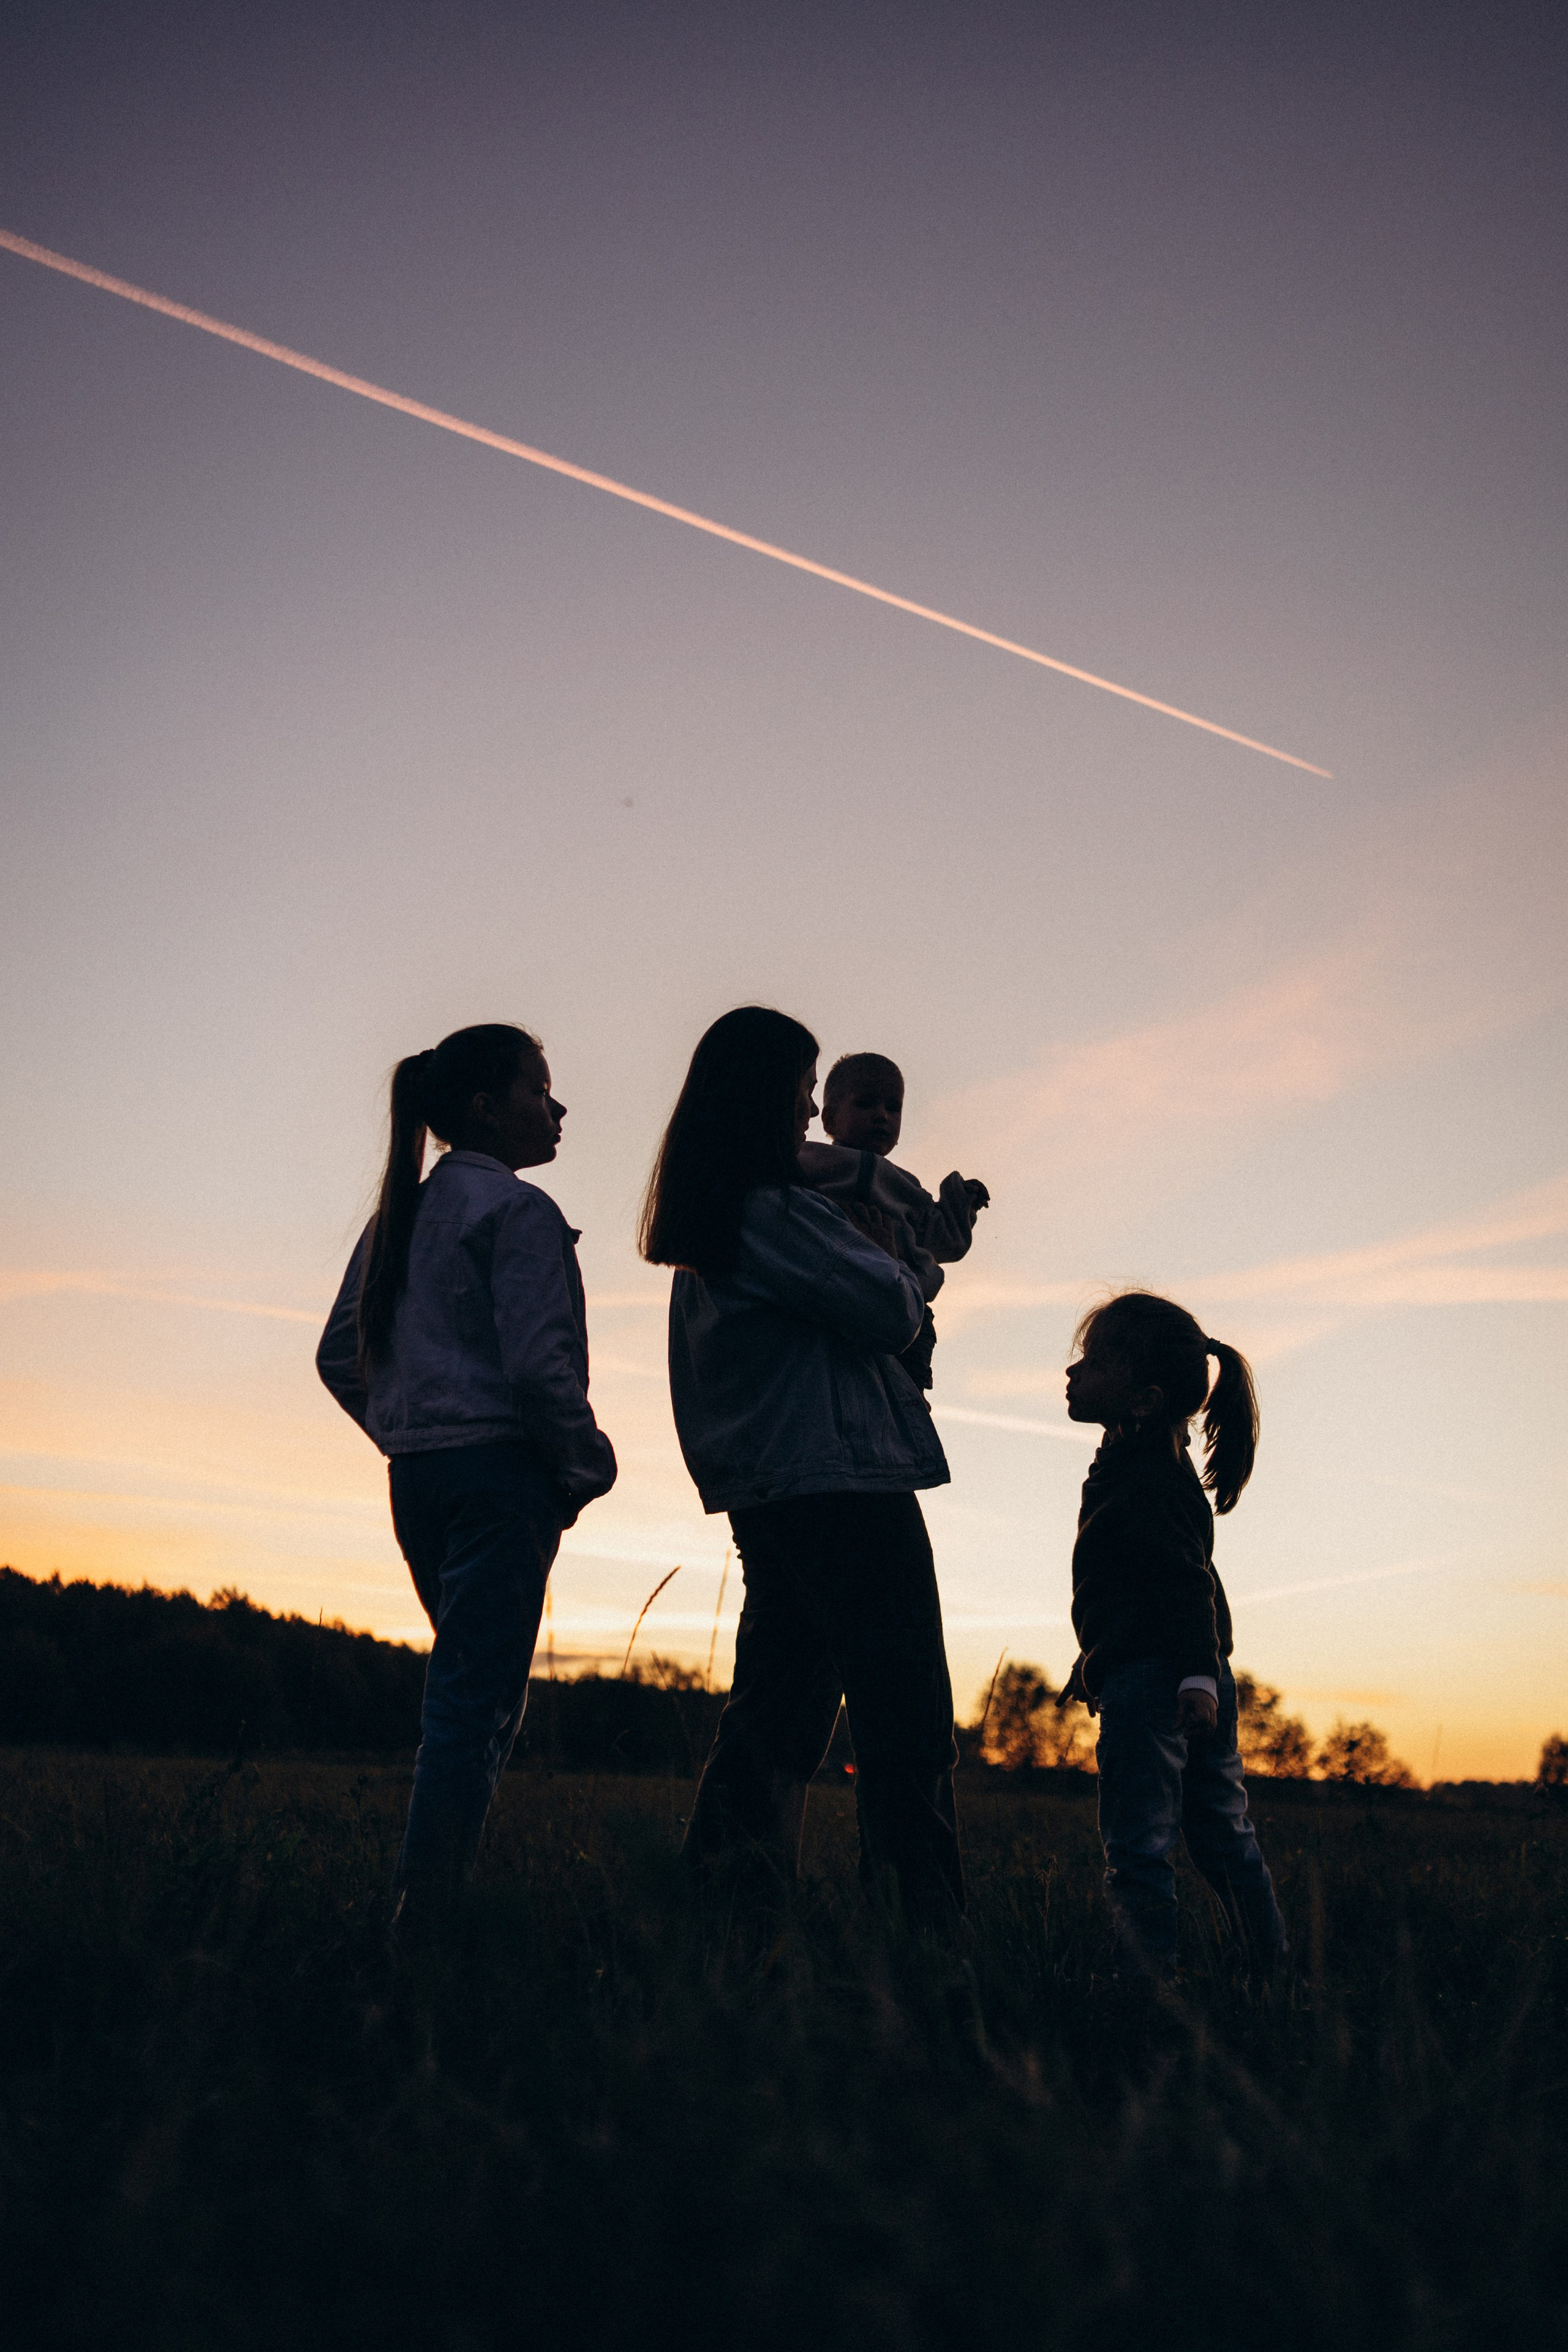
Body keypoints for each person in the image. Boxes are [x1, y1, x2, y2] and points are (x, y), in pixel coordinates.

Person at [641, 1006, 965, 1928]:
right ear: (763, 1097)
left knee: (777, 1714)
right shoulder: (772, 1213)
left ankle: (725, 1915)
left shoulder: (714, 1223)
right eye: (800, 1087)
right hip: (843, 1484)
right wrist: (896, 1260)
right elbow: (891, 1307)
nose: (805, 1108)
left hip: (775, 1490)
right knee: (905, 1714)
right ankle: (919, 1932)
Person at [317, 1023, 616, 1920]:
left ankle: (433, 1904)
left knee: (470, 1694)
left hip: (419, 1481)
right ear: (485, 1107)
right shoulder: (517, 1213)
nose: (558, 1108)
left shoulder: (400, 1216)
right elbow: (538, 1369)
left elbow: (340, 1358)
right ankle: (426, 1919)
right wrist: (586, 1465)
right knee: (472, 1706)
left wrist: (408, 1429)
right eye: (539, 1090)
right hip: (500, 1478)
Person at [1061, 1290, 1286, 1977]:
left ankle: (1147, 1987)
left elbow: (1187, 1582)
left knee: (1138, 1845)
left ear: (1143, 1400)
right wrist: (1095, 1658)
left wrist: (1191, 1675)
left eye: (1095, 1362)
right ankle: (1272, 1971)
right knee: (1221, 1833)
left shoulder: (1147, 1475)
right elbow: (1135, 1587)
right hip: (1181, 1672)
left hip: (1162, 1682)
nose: (1073, 1371)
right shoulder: (1141, 1459)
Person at [797, 1051, 989, 1389]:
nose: (882, 1115)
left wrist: (961, 1203)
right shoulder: (812, 1159)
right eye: (865, 1104)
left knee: (907, 1391)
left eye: (893, 1107)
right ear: (829, 1120)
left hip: (910, 1308)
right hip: (841, 1296)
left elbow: (942, 1241)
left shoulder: (906, 1186)